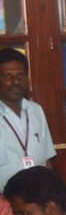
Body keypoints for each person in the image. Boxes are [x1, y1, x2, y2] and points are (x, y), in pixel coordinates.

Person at [0, 48, 56, 192]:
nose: (15, 82)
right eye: (8, 76)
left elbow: (47, 161)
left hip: (38, 199)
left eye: (20, 75)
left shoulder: (36, 110)